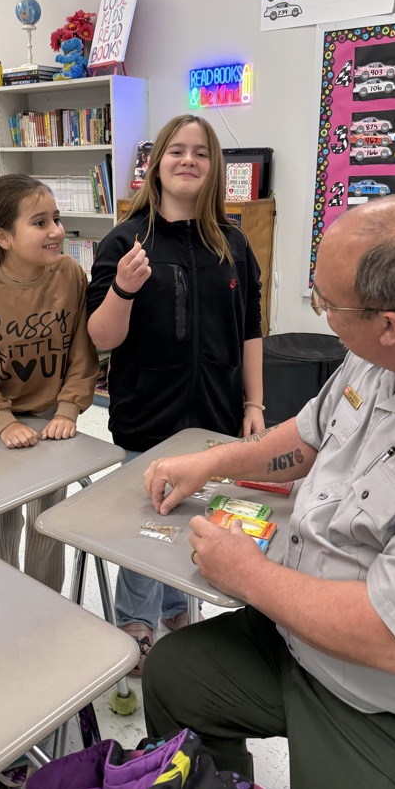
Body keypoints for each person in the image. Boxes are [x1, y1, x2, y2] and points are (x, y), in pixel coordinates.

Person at [140, 194, 395, 789]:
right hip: (302, 640)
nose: (323, 315)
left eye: (326, 303)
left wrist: (247, 574)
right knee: (176, 676)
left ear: (389, 324)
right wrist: (213, 462)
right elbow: (312, 433)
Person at [87, 114, 264, 674]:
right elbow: (102, 338)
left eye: (201, 153)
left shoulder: (233, 243)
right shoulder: (125, 241)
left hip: (214, 413)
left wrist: (253, 404)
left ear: (215, 169)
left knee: (194, 516)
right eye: (177, 151)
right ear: (156, 164)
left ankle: (175, 603)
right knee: (147, 523)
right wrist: (124, 289)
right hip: (147, 413)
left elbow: (250, 328)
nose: (188, 160)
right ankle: (135, 621)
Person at [0, 174, 99, 593]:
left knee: (47, 520)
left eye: (56, 219)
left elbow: (82, 352)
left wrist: (68, 409)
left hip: (54, 421)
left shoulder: (69, 273)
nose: (56, 231)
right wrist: (2, 421)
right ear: (3, 237)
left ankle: (44, 601)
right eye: (39, 223)